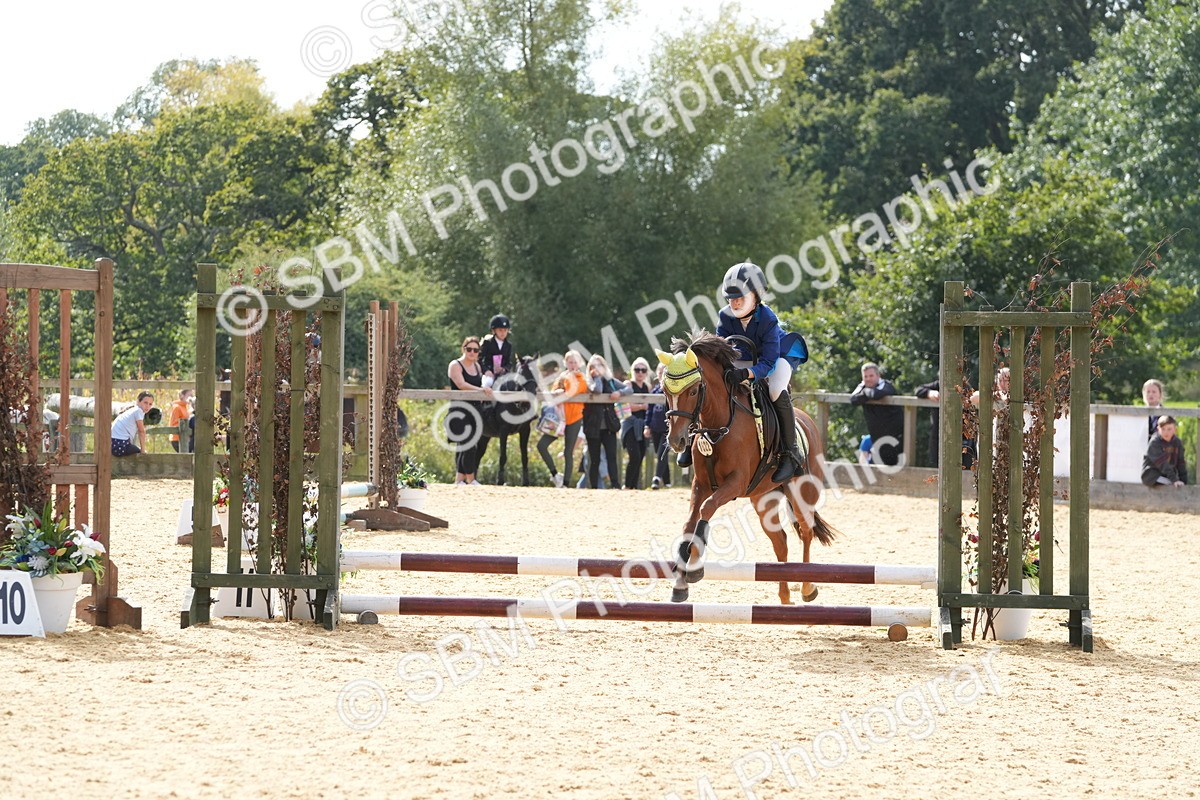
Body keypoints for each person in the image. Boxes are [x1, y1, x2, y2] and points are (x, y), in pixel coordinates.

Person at [686, 260, 803, 483]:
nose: (735, 302)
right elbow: (721, 350)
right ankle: (693, 438)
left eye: (740, 297)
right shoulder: (725, 315)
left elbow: (768, 362)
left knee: (776, 389)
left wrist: (747, 374)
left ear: (756, 296)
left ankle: (790, 451)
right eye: (730, 298)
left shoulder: (768, 319)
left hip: (777, 357)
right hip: (745, 357)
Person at [537, 350, 588, 487]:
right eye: (570, 362)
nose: (572, 365)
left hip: (573, 418)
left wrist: (561, 389)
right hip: (557, 419)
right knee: (541, 446)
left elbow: (571, 391)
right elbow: (554, 394)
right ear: (565, 363)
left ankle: (565, 483)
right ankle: (555, 475)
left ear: (580, 363)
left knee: (568, 451)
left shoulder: (581, 378)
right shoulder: (561, 377)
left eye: (575, 362)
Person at [447, 336, 493, 485]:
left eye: (475, 350)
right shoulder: (455, 365)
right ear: (464, 349)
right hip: (460, 410)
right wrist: (481, 390)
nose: (472, 352)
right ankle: (471, 479)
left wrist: (484, 390)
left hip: (475, 409)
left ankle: (459, 479)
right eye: (469, 349)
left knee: (470, 445)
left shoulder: (478, 367)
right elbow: (461, 384)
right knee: (468, 444)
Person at [582, 354, 631, 490]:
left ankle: (615, 485)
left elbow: (630, 389)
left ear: (604, 366)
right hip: (593, 426)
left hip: (609, 426)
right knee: (594, 459)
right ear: (590, 368)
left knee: (611, 457)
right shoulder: (588, 381)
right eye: (594, 366)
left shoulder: (610, 381)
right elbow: (597, 390)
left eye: (600, 365)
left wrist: (620, 393)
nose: (597, 368)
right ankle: (593, 487)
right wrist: (596, 377)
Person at [850, 363, 903, 467]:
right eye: (865, 376)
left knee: (896, 468)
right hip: (877, 438)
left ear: (878, 376)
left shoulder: (887, 385)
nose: (868, 379)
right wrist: (866, 391)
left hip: (896, 437)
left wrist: (865, 392)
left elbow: (877, 394)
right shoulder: (862, 386)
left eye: (871, 376)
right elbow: (853, 399)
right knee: (880, 469)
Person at [621, 357, 653, 489]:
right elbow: (626, 406)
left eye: (643, 370)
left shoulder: (648, 386)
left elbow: (649, 407)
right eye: (637, 369)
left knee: (640, 457)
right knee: (634, 456)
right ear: (633, 371)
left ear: (646, 372)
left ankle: (633, 487)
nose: (640, 372)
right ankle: (627, 485)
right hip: (630, 424)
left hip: (643, 425)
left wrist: (639, 406)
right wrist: (642, 406)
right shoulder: (628, 384)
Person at [644, 363, 671, 489]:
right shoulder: (654, 391)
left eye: (665, 371)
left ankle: (656, 479)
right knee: (660, 453)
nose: (662, 374)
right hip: (655, 428)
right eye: (660, 372)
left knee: (662, 452)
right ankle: (667, 481)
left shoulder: (672, 389)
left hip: (668, 428)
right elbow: (649, 411)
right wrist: (647, 426)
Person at [1142, 415, 1188, 488]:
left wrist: (1184, 482)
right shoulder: (1155, 442)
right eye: (1163, 429)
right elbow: (1163, 464)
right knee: (1172, 485)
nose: (1166, 432)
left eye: (1169, 429)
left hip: (1166, 475)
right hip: (1152, 476)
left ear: (1175, 430)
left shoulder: (1177, 442)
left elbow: (1181, 463)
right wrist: (1174, 480)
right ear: (1158, 429)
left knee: (1179, 485)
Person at [112, 392, 154, 457]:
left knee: (135, 449)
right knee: (139, 453)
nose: (147, 406)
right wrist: (142, 450)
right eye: (145, 403)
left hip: (112, 443)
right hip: (119, 444)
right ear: (138, 401)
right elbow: (141, 431)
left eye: (150, 404)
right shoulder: (138, 411)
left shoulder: (133, 410)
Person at [479, 314, 514, 389]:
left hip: (503, 374)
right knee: (487, 383)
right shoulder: (487, 343)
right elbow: (480, 359)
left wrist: (504, 369)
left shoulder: (508, 345)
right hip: (489, 373)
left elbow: (509, 362)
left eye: (505, 330)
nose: (503, 333)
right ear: (494, 330)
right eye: (500, 330)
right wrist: (486, 371)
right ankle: (483, 400)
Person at [914, 379, 940, 466]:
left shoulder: (964, 386)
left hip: (961, 436)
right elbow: (918, 390)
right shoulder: (939, 385)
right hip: (937, 434)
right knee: (936, 464)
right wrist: (929, 393)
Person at [167, 388, 194, 453]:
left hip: (185, 438)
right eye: (189, 395)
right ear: (182, 395)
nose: (191, 398)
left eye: (192, 396)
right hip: (177, 438)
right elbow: (173, 424)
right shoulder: (177, 407)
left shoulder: (186, 407)